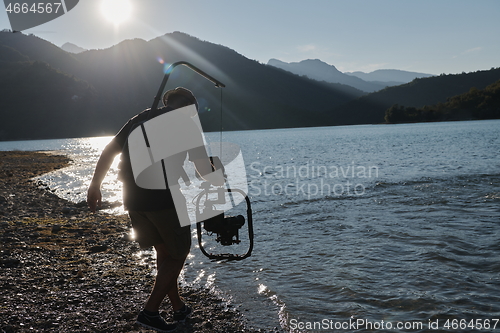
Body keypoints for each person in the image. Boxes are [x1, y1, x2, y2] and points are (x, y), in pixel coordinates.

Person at [87, 87, 222, 332]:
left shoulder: (139, 118)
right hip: (163, 199)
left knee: (164, 253)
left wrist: (95, 185)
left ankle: (179, 307)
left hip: (132, 198)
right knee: (179, 253)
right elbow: (203, 170)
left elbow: (110, 150)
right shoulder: (186, 124)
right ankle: (150, 312)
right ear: (190, 107)